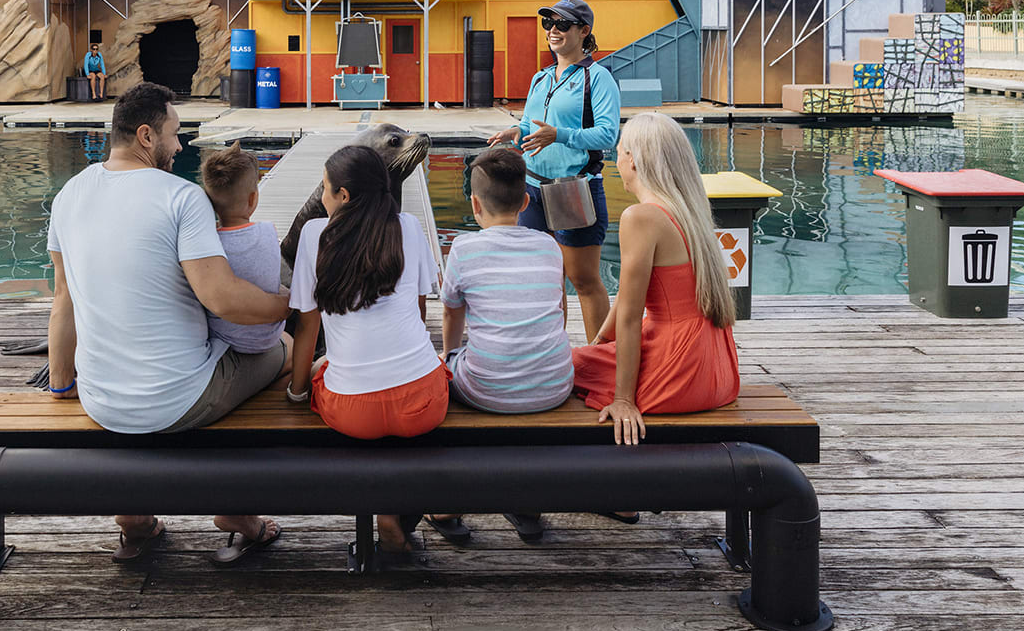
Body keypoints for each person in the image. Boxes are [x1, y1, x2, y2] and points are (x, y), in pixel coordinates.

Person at [46, 82, 293, 565]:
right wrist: (288, 306)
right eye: (175, 134)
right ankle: (236, 508)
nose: (179, 146)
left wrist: (62, 389)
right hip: (180, 398)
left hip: (102, 401)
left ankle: (135, 518)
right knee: (278, 349)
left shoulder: (68, 195)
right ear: (145, 136)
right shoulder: (182, 198)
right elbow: (223, 300)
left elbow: (62, 302)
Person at [286, 144, 445, 555]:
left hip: (352, 411)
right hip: (424, 402)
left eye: (325, 187)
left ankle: (383, 516)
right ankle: (396, 514)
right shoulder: (408, 227)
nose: (321, 196)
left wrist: (297, 392)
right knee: (409, 395)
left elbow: (308, 323)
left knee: (330, 370)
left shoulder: (313, 236)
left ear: (343, 196)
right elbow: (419, 311)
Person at [572, 111, 741, 452]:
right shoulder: (689, 211)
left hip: (678, 370)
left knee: (558, 370)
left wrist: (623, 399)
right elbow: (626, 296)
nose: (614, 159)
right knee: (586, 358)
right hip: (717, 367)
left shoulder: (641, 217)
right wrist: (601, 341)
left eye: (618, 151)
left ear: (633, 160)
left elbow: (632, 317)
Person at [430, 146, 574, 545]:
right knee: (513, 366)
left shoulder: (464, 248)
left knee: (450, 377)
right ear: (526, 201)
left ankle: (448, 505)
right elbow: (559, 314)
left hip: (488, 388)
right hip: (554, 385)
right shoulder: (548, 245)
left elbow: (452, 315)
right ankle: (526, 505)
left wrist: (449, 355)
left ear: (474, 203)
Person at [487, 0, 621, 344]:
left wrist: (558, 135)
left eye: (562, 24)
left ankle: (600, 360)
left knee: (584, 280)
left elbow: (608, 133)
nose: (553, 30)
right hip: (532, 190)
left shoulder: (598, 78)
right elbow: (532, 125)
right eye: (549, 24)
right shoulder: (541, 77)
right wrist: (516, 133)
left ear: (583, 31)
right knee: (545, 279)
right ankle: (552, 356)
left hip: (574, 188)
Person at [199, 141, 286, 357]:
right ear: (253, 198)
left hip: (225, 342)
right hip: (269, 338)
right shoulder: (268, 232)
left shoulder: (209, 245)